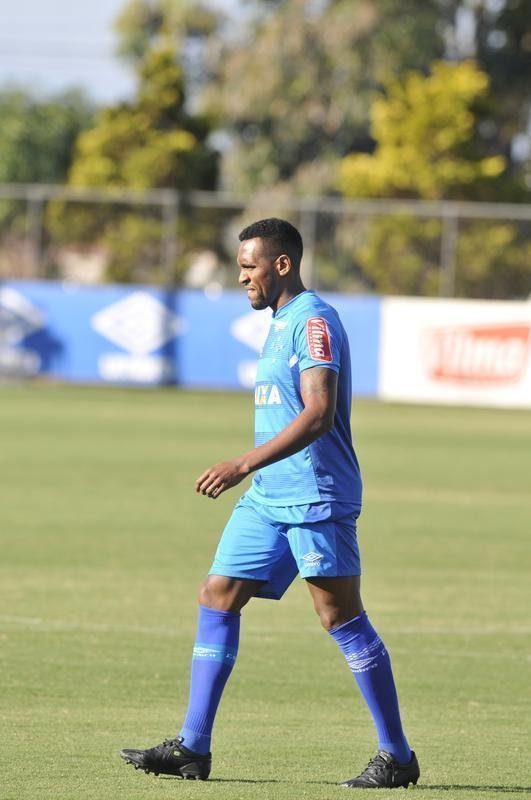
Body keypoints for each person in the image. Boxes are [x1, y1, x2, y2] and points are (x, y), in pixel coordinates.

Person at [120, 218, 420, 789]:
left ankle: (397, 755)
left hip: (313, 495)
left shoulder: (313, 322)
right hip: (268, 500)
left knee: (340, 617)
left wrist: (242, 463)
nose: (242, 278)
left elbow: (318, 412)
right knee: (218, 593)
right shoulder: (280, 323)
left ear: (282, 264)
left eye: (250, 266)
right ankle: (193, 745)